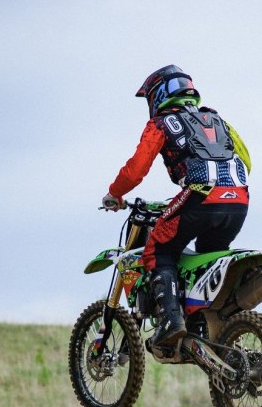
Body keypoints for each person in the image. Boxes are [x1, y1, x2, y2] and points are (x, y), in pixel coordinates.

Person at [102, 65, 252, 349]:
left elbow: (135, 171)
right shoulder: (218, 120)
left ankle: (171, 320)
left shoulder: (161, 123)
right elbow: (247, 161)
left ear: (158, 95)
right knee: (206, 257)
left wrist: (115, 194)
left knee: (158, 250)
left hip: (201, 196)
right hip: (239, 201)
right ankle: (204, 327)